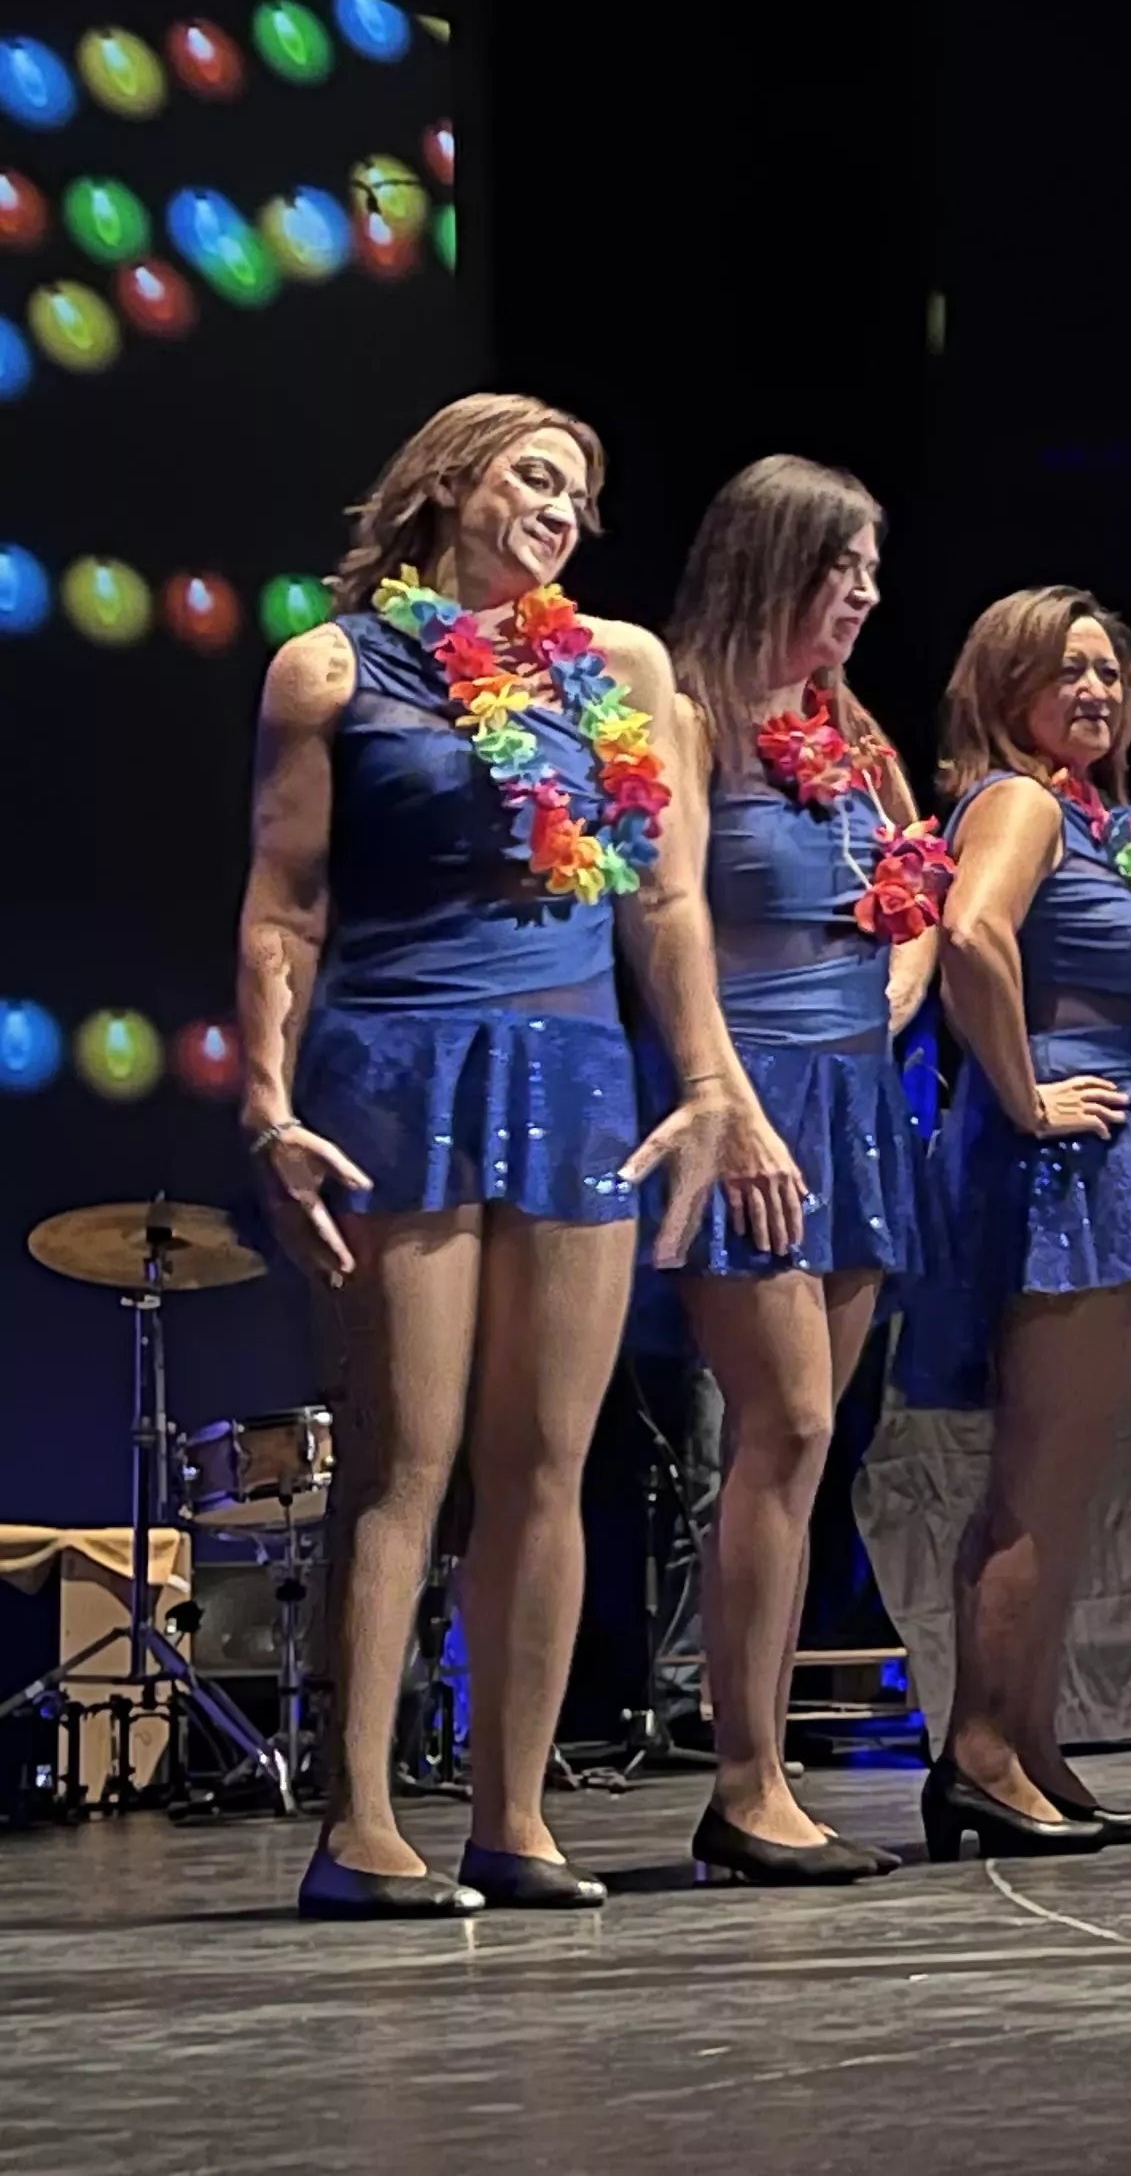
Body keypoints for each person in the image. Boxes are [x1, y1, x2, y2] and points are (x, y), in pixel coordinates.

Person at [237, 392, 778, 1916]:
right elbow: (285, 903)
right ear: (447, 482)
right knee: (408, 1457)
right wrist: (270, 1103)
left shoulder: (619, 668)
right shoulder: (332, 667)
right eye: (537, 475)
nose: (562, 506)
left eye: (581, 490)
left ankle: (514, 1817)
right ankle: (356, 1825)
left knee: (547, 1458)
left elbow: (664, 905)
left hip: (572, 1071)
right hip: (397, 1066)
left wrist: (713, 1081)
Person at [654, 455, 941, 1884]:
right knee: (788, 1428)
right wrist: (735, 1099)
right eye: (847, 570)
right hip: (751, 1100)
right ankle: (745, 1778)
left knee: (811, 1445)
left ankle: (761, 1778)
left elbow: (919, 884)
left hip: (855, 1096)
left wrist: (897, 989)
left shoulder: (849, 725)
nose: (869, 596)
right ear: (776, 561)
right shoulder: (694, 715)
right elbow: (668, 926)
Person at [898, 586, 1131, 1861]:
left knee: (1066, 1486)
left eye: (1112, 672)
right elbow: (971, 933)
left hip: (1098, 1159)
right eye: (1068, 669)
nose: (1098, 691)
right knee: (1037, 1483)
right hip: (1059, 1163)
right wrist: (1021, 1091)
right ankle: (978, 1753)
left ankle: (1026, 1742)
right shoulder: (1018, 803)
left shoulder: (1084, 816)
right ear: (1005, 684)